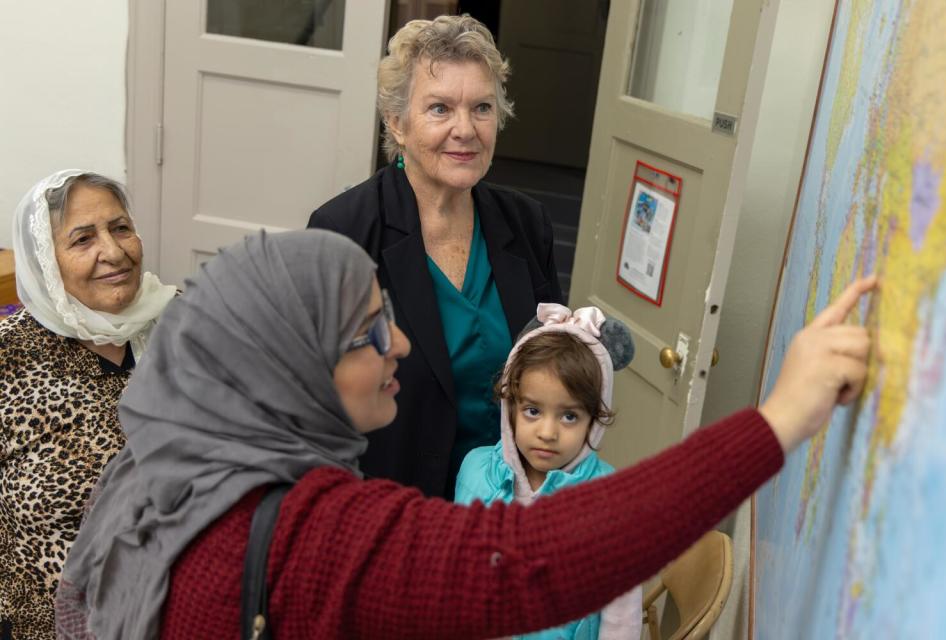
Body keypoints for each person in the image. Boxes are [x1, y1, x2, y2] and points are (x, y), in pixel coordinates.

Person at [57, 229, 874, 640]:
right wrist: (780, 418)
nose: (402, 345)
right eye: (372, 332)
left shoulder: (163, 472)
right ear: (289, 366)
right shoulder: (303, 534)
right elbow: (529, 562)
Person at [307, 15, 563, 497]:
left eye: (482, 108)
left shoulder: (528, 226)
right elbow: (315, 405)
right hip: (390, 506)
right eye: (440, 109)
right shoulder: (343, 231)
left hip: (503, 505)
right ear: (397, 124)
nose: (465, 129)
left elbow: (552, 377)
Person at [0, 170, 176, 640]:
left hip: (185, 612)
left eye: (120, 228)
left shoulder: (188, 326)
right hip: (51, 625)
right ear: (43, 260)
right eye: (82, 239)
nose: (114, 252)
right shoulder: (8, 360)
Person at [455, 304, 643, 639]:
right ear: (509, 406)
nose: (547, 432)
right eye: (532, 410)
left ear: (594, 420)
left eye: (569, 416)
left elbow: (622, 615)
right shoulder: (474, 473)